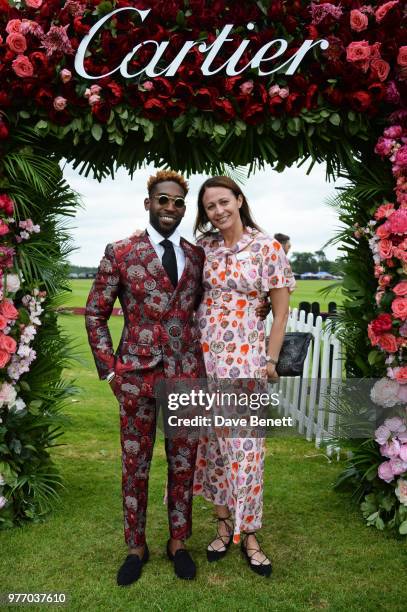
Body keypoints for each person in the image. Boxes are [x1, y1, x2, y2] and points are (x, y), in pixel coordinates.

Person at [85, 170, 206, 585]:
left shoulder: (196, 255)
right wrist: (110, 371)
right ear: (148, 203)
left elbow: (199, 312)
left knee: (183, 464)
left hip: (186, 376)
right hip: (135, 377)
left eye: (177, 202)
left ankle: (178, 541)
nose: (170, 208)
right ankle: (136, 545)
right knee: (134, 463)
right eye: (163, 200)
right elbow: (95, 314)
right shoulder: (121, 252)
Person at [192, 177, 295, 577]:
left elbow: (281, 312)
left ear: (239, 200)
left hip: (245, 360)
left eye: (223, 202)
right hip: (204, 360)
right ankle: (221, 522)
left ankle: (249, 532)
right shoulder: (205, 248)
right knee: (213, 449)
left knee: (247, 450)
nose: (218, 211)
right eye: (210, 207)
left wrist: (270, 360)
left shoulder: (267, 248)